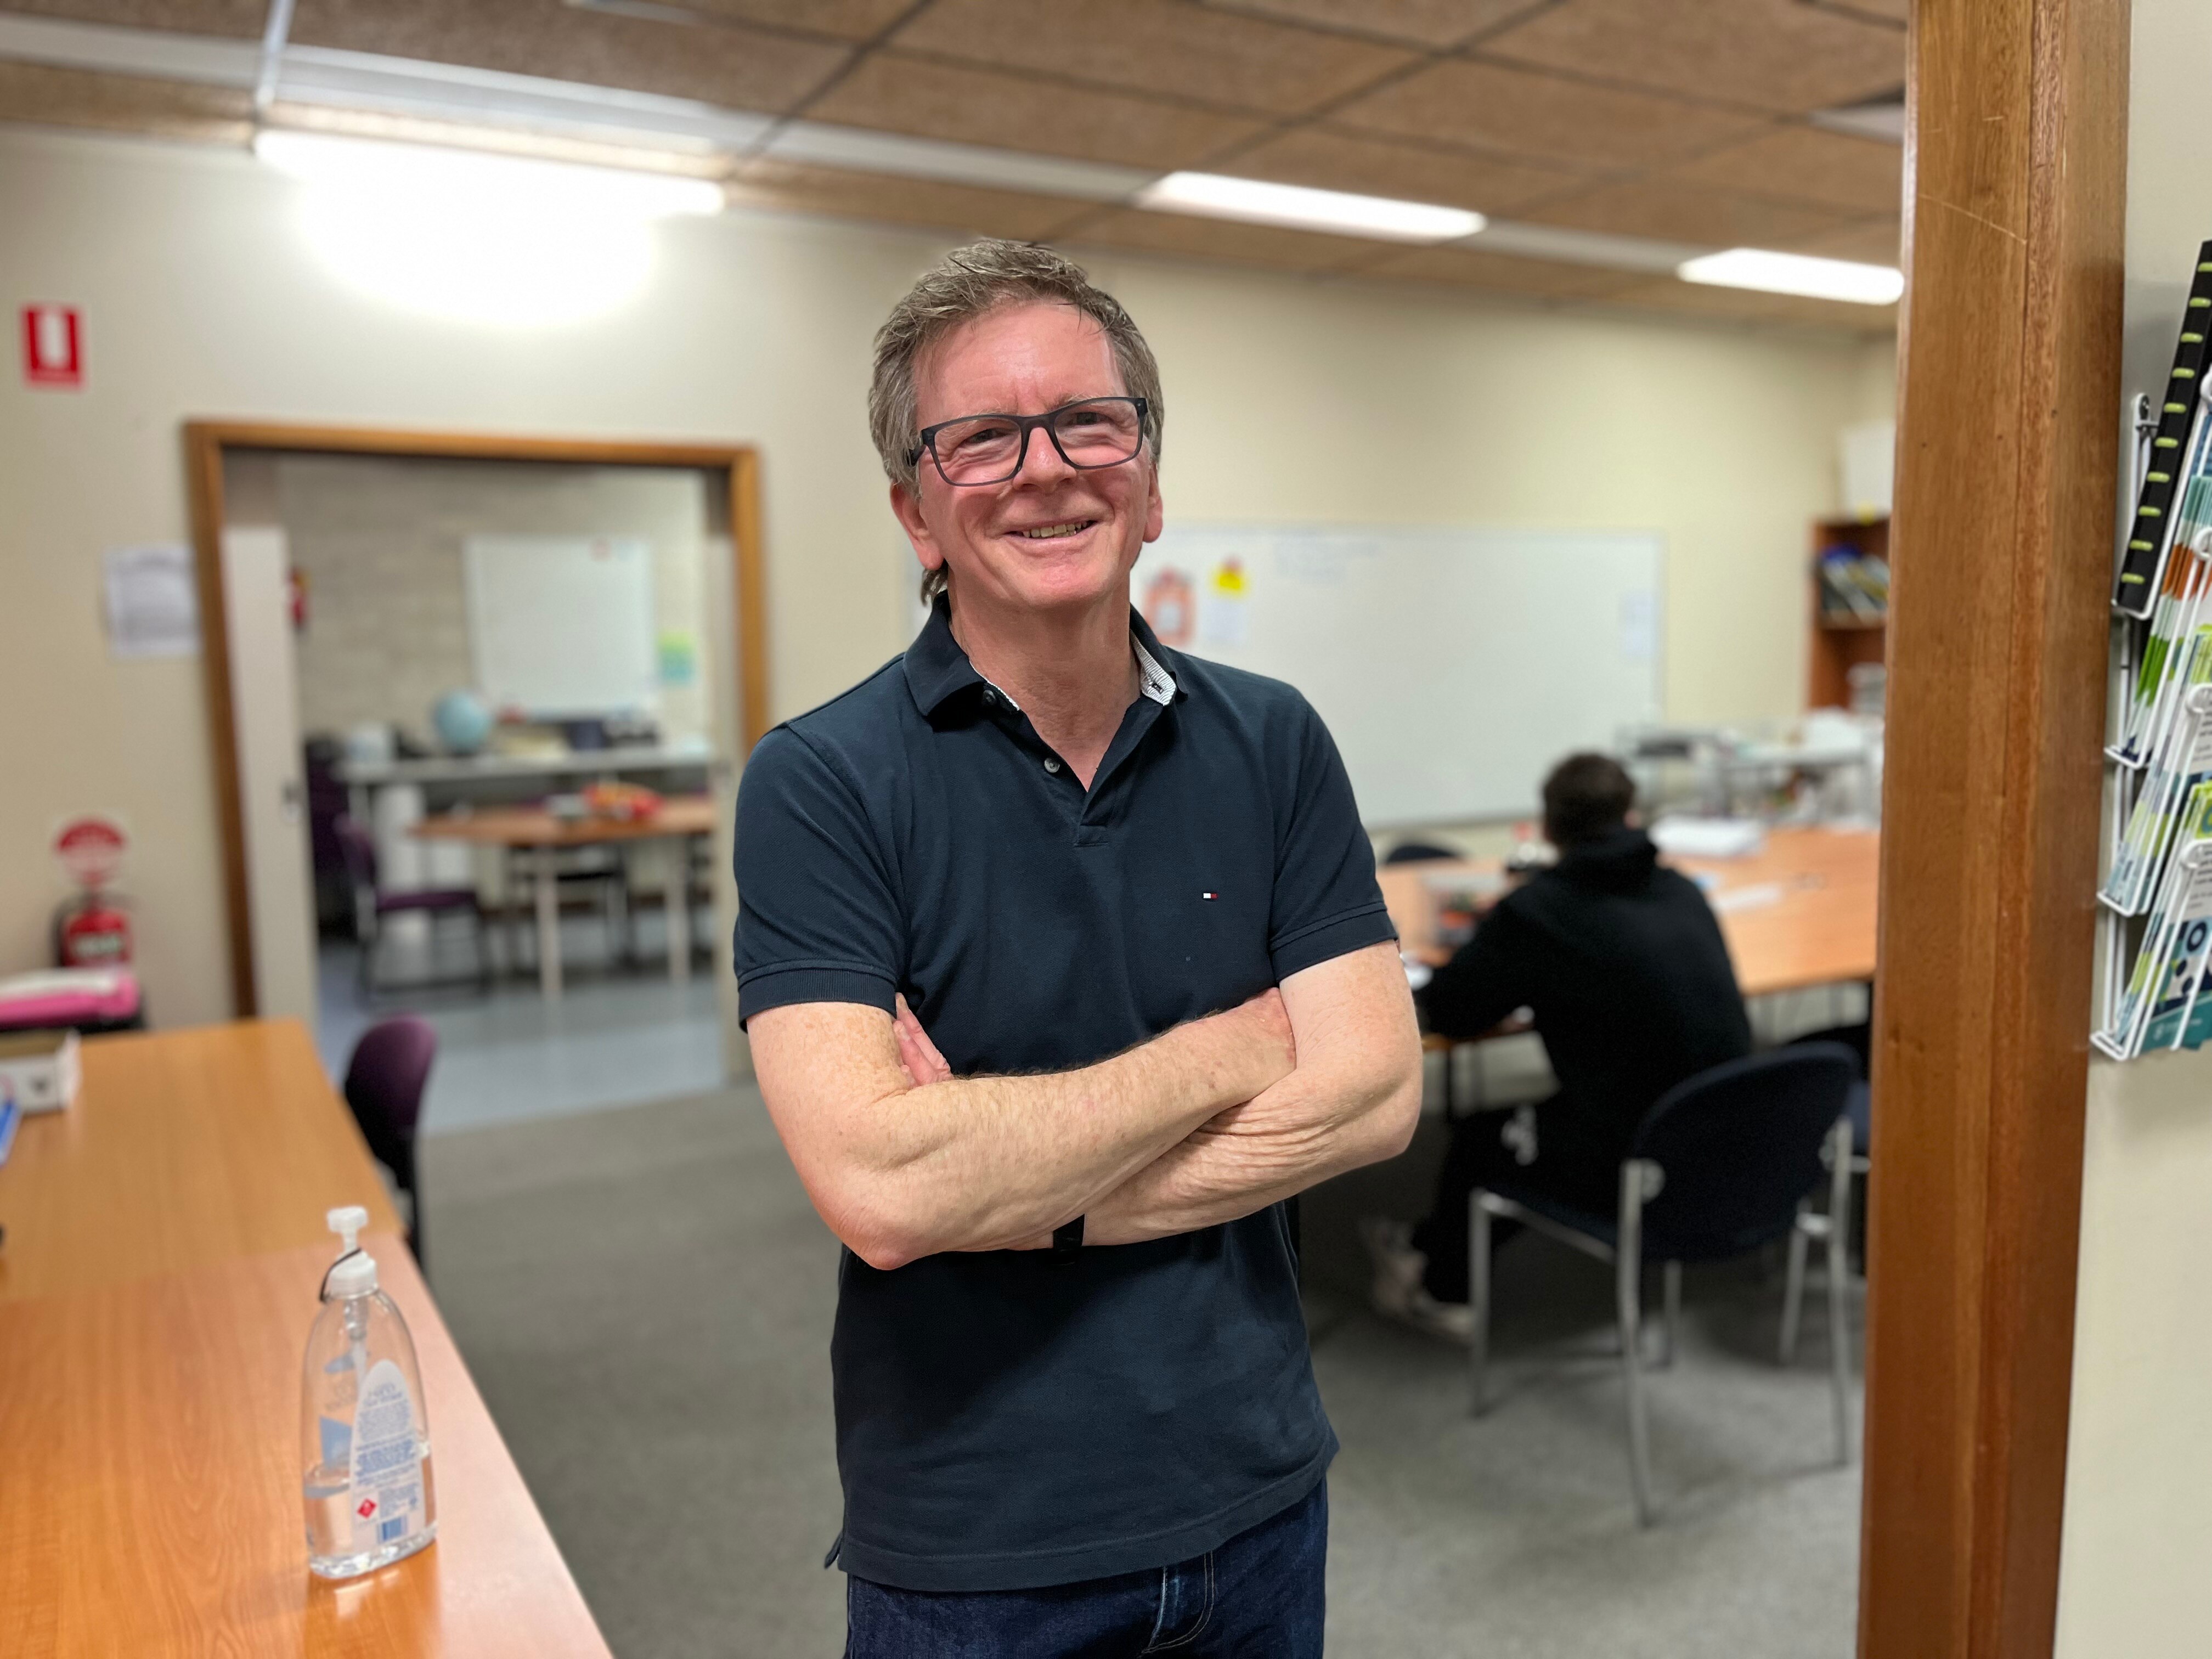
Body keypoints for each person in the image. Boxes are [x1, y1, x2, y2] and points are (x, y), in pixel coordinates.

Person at [733, 239, 1423, 1656]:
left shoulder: (1275, 738)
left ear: (1151, 479)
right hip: (980, 1535)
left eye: (1089, 422)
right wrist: (1239, 1043)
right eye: (980, 439)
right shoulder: (821, 781)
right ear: (916, 512)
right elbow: (880, 1190)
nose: (1045, 469)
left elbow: (1374, 1096)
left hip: (1258, 1490)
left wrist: (1010, 1186)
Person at [1367, 753, 1751, 1335]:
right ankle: (1426, 1242)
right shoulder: (1681, 890)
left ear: (1546, 829)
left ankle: (1443, 1293)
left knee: (1478, 1138)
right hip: (1730, 1128)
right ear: (1632, 815)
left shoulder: (1540, 912)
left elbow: (1450, 1011)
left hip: (1639, 1148)